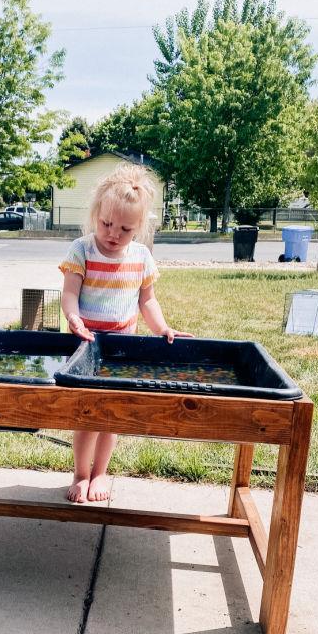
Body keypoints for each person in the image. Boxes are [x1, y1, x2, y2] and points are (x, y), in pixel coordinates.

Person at [59, 163, 192, 504]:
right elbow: (70, 292)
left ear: (139, 229)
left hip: (122, 350)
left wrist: (162, 328)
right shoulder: (82, 250)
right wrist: (73, 317)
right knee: (87, 415)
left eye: (125, 229)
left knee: (111, 418)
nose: (113, 234)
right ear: (96, 215)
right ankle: (80, 473)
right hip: (86, 346)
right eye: (106, 224)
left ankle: (101, 470)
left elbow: (147, 300)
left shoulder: (141, 257)